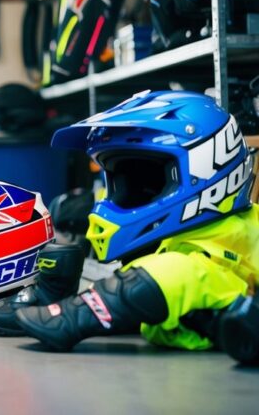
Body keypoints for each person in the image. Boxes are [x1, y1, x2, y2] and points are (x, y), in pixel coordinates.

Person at [13, 90, 259, 364]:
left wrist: (83, 310)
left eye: (145, 178)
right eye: (120, 179)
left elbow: (183, 276)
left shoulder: (238, 242)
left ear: (204, 168)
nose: (119, 196)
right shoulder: (173, 247)